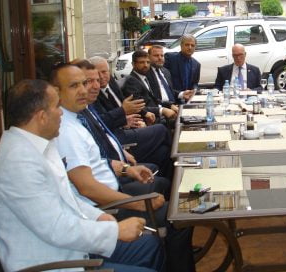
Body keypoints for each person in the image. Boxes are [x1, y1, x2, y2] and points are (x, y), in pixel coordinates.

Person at [0, 79, 164, 272]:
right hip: (57, 262)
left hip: (75, 246)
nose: (61, 113)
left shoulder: (41, 145)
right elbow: (56, 228)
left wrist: (100, 217)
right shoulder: (17, 162)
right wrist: (115, 230)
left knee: (150, 246)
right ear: (42, 116)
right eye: (56, 106)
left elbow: (68, 199)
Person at [52, 64, 195, 272]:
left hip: (114, 188)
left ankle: (175, 252)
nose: (84, 90)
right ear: (56, 92)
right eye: (75, 86)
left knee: (167, 180)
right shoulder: (65, 130)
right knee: (179, 217)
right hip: (107, 206)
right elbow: (87, 188)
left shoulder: (77, 117)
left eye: (84, 83)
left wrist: (126, 169)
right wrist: (138, 204)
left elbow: (97, 160)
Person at [80, 60, 173, 180]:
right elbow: (103, 122)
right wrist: (123, 117)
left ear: (109, 71)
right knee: (162, 129)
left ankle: (172, 182)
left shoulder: (110, 82)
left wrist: (143, 115)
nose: (100, 79)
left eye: (104, 72)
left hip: (125, 130)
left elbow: (128, 103)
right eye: (90, 80)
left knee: (164, 152)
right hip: (119, 139)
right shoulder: (90, 99)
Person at [123, 50, 179, 123]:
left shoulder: (144, 77)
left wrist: (170, 105)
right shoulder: (131, 81)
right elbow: (137, 107)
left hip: (157, 115)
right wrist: (162, 110)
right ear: (133, 64)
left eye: (148, 62)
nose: (145, 65)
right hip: (148, 120)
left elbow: (153, 99)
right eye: (141, 62)